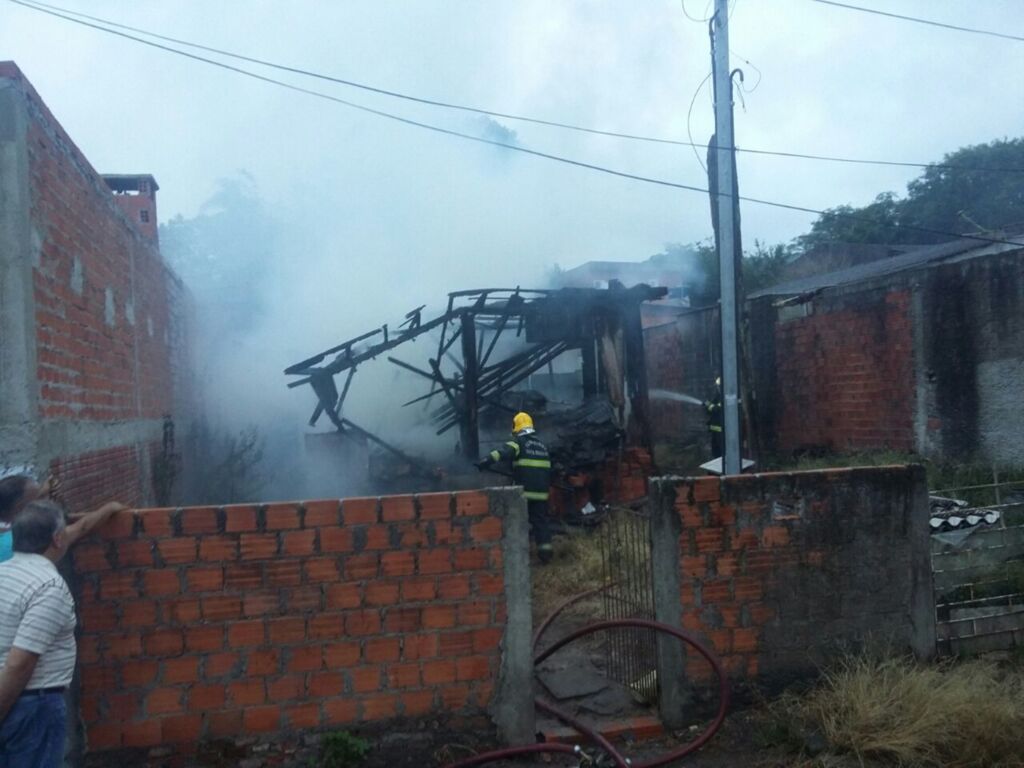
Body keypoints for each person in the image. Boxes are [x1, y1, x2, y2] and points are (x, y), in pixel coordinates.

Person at [0, 501, 78, 767]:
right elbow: (20, 662)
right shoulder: (48, 586)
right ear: (57, 539)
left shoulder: (4, 573)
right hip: (30, 706)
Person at [476, 411, 554, 564]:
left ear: (516, 427)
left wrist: (486, 461)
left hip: (523, 492)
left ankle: (517, 555)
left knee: (518, 522)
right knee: (541, 523)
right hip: (541, 493)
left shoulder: (518, 442)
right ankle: (546, 555)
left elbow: (503, 453)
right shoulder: (542, 446)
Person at [0, 474, 122, 564]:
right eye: (39, 498)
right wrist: (110, 508)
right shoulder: (25, 537)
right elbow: (81, 527)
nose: (44, 501)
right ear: (20, 508)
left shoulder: (6, 535)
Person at [705, 377, 723, 458]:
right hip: (715, 430)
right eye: (717, 386)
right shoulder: (718, 396)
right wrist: (707, 405)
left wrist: (708, 405)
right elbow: (710, 409)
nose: (718, 388)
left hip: (722, 431)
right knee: (715, 453)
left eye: (719, 386)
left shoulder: (726, 397)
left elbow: (717, 409)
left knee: (722, 452)